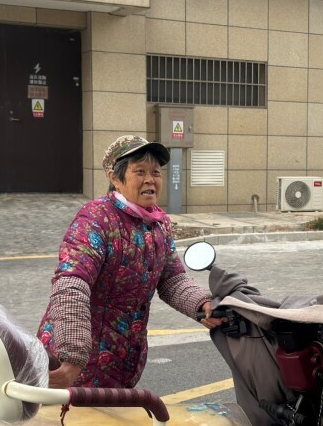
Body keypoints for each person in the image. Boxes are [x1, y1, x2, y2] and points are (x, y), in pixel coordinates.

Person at [38, 135, 221, 389]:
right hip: (73, 367)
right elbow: (71, 284)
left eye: (155, 172)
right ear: (115, 178)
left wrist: (202, 304)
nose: (150, 180)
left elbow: (172, 280)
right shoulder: (96, 218)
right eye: (140, 172)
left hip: (123, 362)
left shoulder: (159, 224)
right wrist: (73, 356)